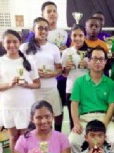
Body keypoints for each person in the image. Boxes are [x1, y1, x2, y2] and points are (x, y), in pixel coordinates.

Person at [0, 29, 40, 153]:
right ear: (3, 44)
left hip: (26, 106)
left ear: (20, 42)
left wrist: (26, 85)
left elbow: (37, 84)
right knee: (13, 137)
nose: (11, 45)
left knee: (26, 138)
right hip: (9, 107)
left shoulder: (29, 61)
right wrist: (9, 84)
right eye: (8, 42)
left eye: (14, 42)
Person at [27, 1, 71, 132]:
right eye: (49, 11)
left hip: (60, 79)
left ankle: (57, 134)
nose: (52, 14)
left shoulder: (63, 34)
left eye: (54, 11)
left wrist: (66, 51)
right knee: (39, 110)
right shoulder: (33, 36)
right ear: (42, 14)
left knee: (58, 110)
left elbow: (69, 51)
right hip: (38, 83)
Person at [20, 17, 63, 130]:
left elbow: (59, 68)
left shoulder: (54, 48)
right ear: (33, 29)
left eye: (46, 28)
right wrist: (32, 73)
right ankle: (36, 140)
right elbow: (19, 68)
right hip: (34, 90)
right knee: (35, 117)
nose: (43, 31)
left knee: (56, 114)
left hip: (51, 88)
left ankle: (56, 136)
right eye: (40, 28)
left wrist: (52, 74)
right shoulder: (24, 47)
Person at [62, 24, 89, 129]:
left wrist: (88, 66)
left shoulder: (90, 52)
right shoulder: (66, 52)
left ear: (84, 37)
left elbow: (96, 71)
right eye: (74, 35)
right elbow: (64, 74)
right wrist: (67, 68)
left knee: (87, 118)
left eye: (80, 35)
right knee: (73, 121)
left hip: (87, 89)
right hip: (71, 89)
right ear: (70, 36)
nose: (77, 38)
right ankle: (74, 144)